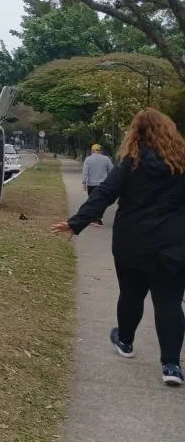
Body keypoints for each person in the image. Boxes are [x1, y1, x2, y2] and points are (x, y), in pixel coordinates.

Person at [51, 108, 185, 387]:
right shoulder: (181, 165)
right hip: (173, 244)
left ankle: (125, 341)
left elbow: (104, 194)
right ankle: (171, 365)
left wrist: (76, 223)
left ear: (136, 133)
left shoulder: (130, 163)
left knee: (131, 294)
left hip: (132, 241)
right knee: (170, 302)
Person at [82, 143, 114, 226]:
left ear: (92, 150)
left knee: (93, 202)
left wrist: (84, 184)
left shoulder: (88, 159)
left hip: (91, 185)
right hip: (103, 184)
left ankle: (95, 219)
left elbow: (85, 174)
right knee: (102, 202)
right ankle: (98, 218)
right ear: (100, 151)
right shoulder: (106, 159)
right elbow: (112, 170)